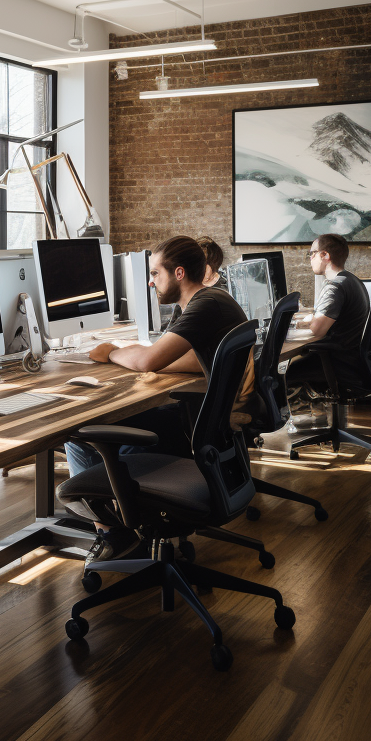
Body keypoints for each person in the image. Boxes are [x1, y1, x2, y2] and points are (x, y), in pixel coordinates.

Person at [62, 235, 253, 560]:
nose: (151, 282)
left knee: (82, 427)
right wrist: (141, 354)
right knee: (116, 423)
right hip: (215, 439)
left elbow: (150, 361)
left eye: (155, 274)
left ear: (178, 273)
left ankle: (111, 532)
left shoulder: (204, 306)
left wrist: (111, 352)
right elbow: (189, 360)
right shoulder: (209, 301)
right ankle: (120, 518)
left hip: (191, 435)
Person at [288, 233, 369, 390]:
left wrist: (304, 323)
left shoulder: (335, 287)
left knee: (280, 373)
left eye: (312, 253)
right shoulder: (351, 280)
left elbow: (317, 330)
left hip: (337, 361)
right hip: (350, 359)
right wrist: (312, 319)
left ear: (324, 255)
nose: (310, 258)